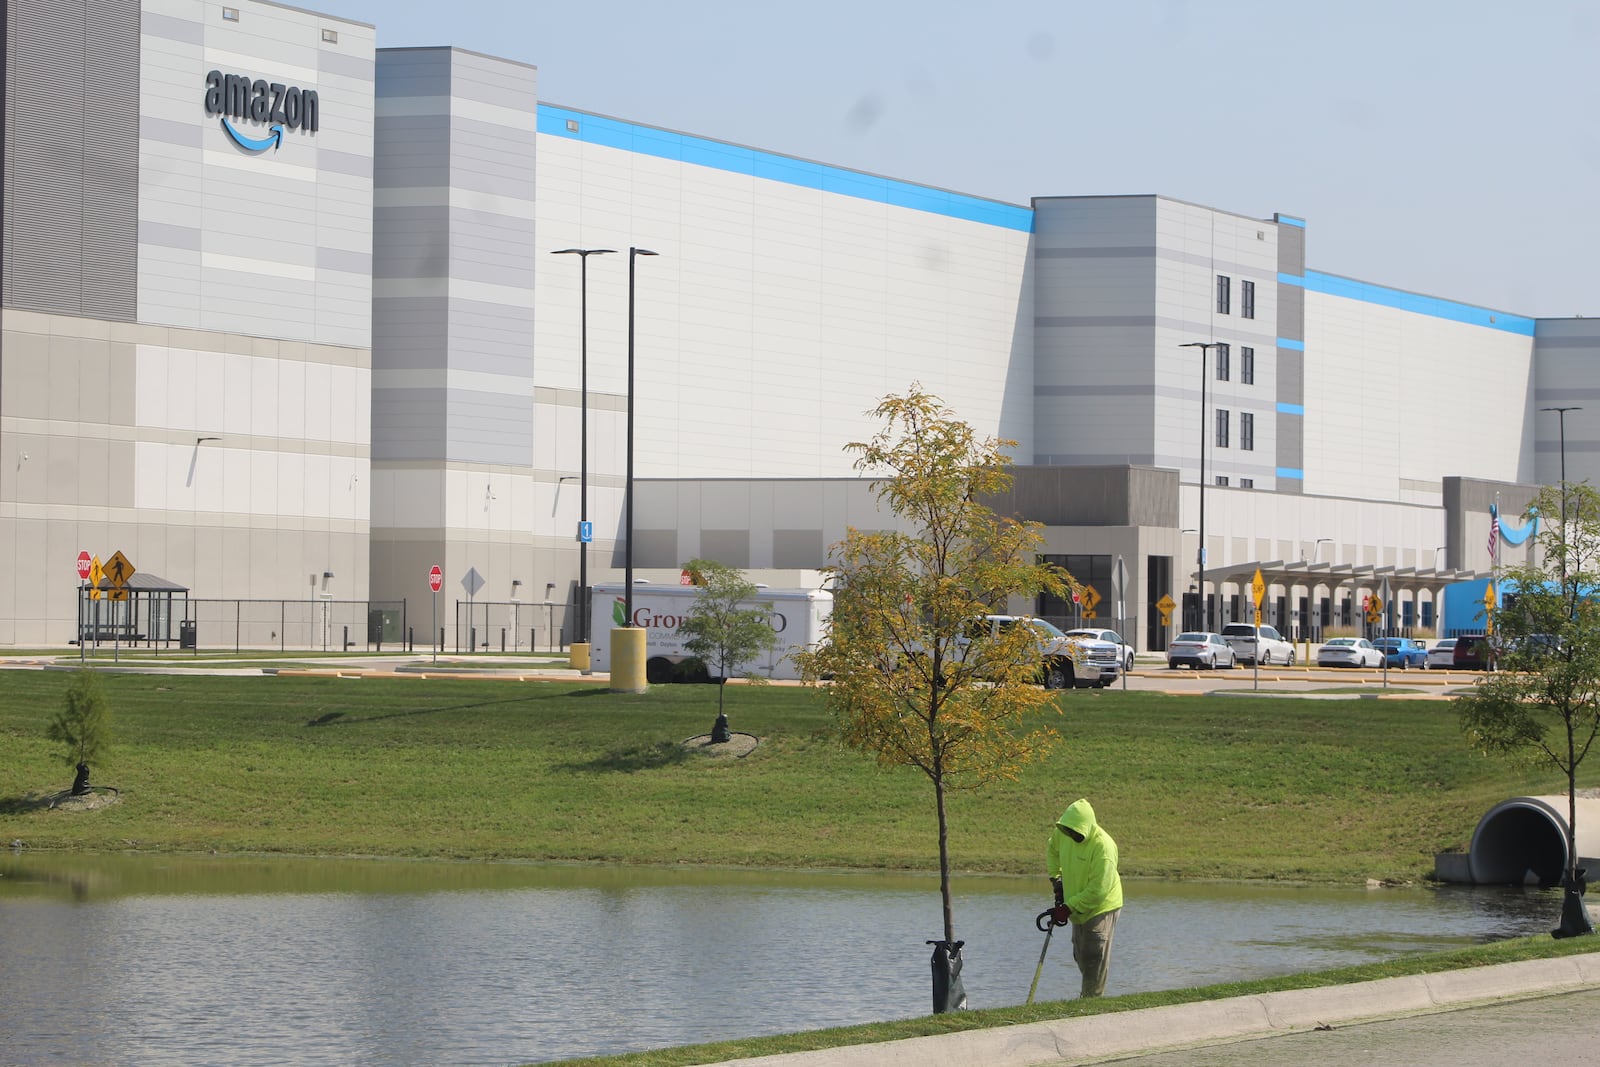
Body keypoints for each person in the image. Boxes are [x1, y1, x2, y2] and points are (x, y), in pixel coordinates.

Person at [1046, 797, 1123, 998]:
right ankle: (1088, 997)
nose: (1071, 834)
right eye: (1069, 830)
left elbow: (1098, 891)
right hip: (1076, 904)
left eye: (1076, 832)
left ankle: (1091, 1001)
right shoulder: (1063, 833)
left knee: (1093, 954)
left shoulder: (1103, 847)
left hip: (1101, 906)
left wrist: (1068, 907)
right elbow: (1052, 851)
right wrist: (1057, 880)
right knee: (1080, 954)